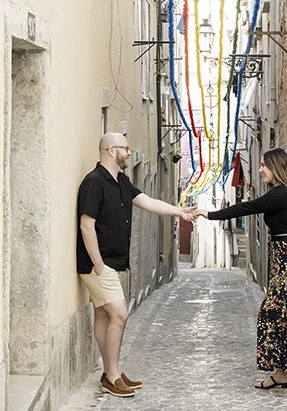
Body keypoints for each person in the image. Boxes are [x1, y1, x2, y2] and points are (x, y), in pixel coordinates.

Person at [77, 132, 200, 397]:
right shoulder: (94, 182)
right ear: (111, 150)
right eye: (126, 148)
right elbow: (86, 225)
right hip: (97, 264)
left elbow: (147, 202)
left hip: (112, 261)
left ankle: (112, 371)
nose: (130, 153)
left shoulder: (120, 180)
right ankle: (111, 376)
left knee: (104, 314)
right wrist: (98, 264)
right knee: (120, 314)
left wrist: (180, 211)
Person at [204, 147, 287, 389]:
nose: (260, 169)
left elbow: (247, 207)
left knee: (273, 312)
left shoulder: (280, 194)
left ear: (275, 166)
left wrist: (210, 214)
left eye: (264, 165)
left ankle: (284, 371)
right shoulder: (286, 192)